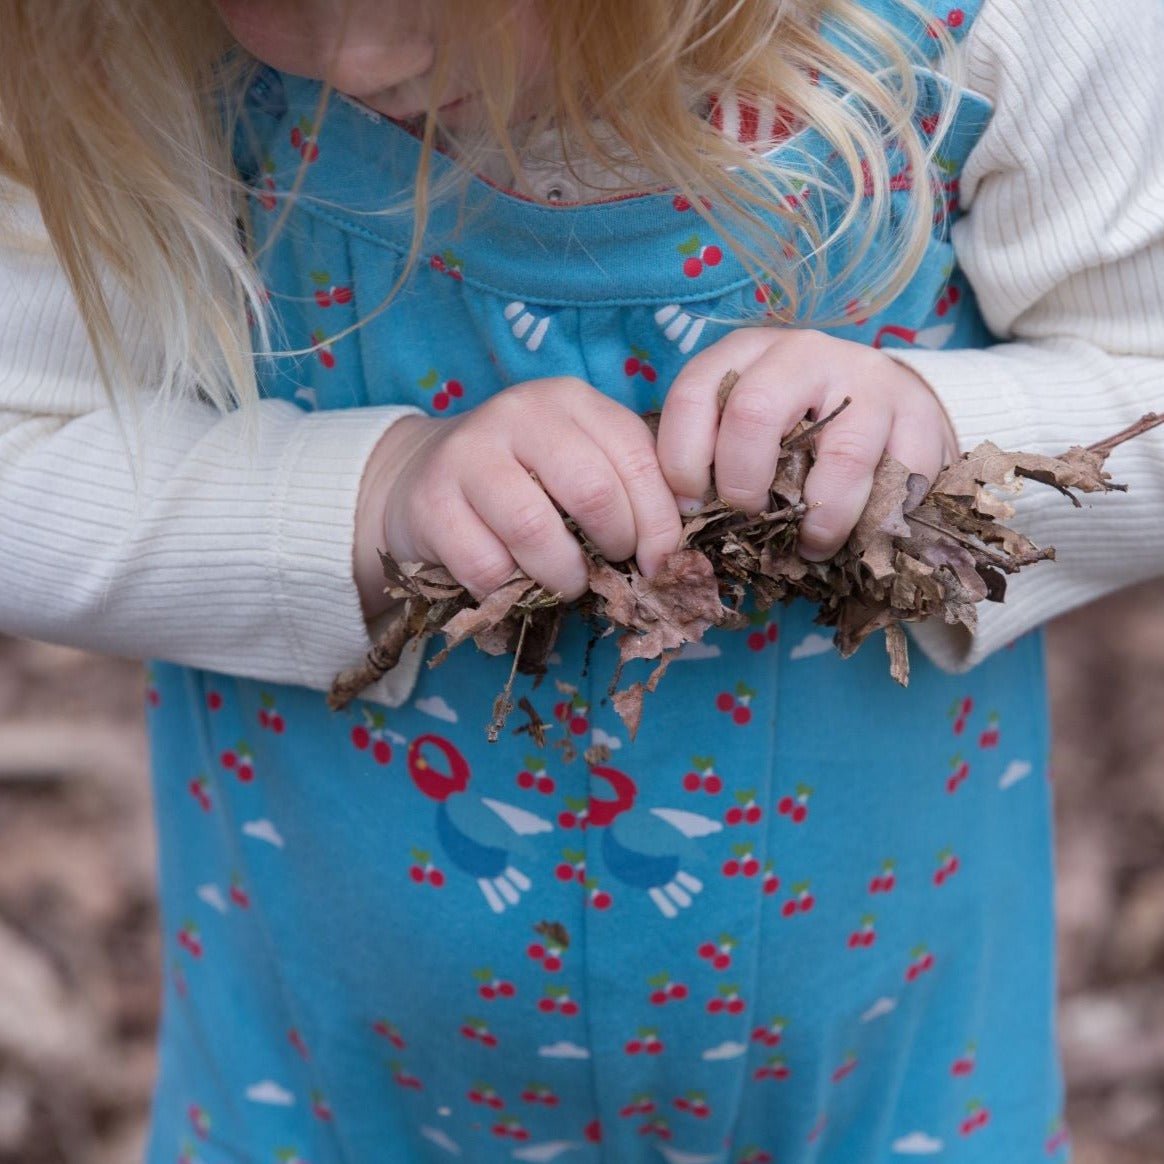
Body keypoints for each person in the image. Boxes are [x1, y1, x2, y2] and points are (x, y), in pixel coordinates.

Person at [1, 0, 1161, 1159]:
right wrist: (373, 492)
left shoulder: (992, 29)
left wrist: (934, 441)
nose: (357, 55)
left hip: (878, 1084)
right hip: (333, 1090)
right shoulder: (138, 56)